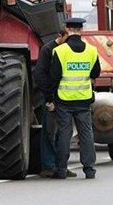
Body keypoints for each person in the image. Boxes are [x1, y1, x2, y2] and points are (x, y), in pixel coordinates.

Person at [48, 18, 101, 178]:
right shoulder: (92, 51)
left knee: (65, 134)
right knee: (86, 133)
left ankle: (62, 170)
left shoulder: (60, 51)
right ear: (81, 29)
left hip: (64, 100)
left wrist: (49, 98)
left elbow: (54, 77)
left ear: (67, 29)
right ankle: (89, 169)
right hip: (84, 100)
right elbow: (95, 73)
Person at [32, 28, 76, 178]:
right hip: (52, 96)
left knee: (63, 132)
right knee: (50, 132)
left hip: (65, 96)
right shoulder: (47, 50)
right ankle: (48, 165)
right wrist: (49, 94)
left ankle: (61, 165)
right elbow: (39, 75)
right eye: (67, 37)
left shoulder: (66, 49)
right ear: (60, 36)